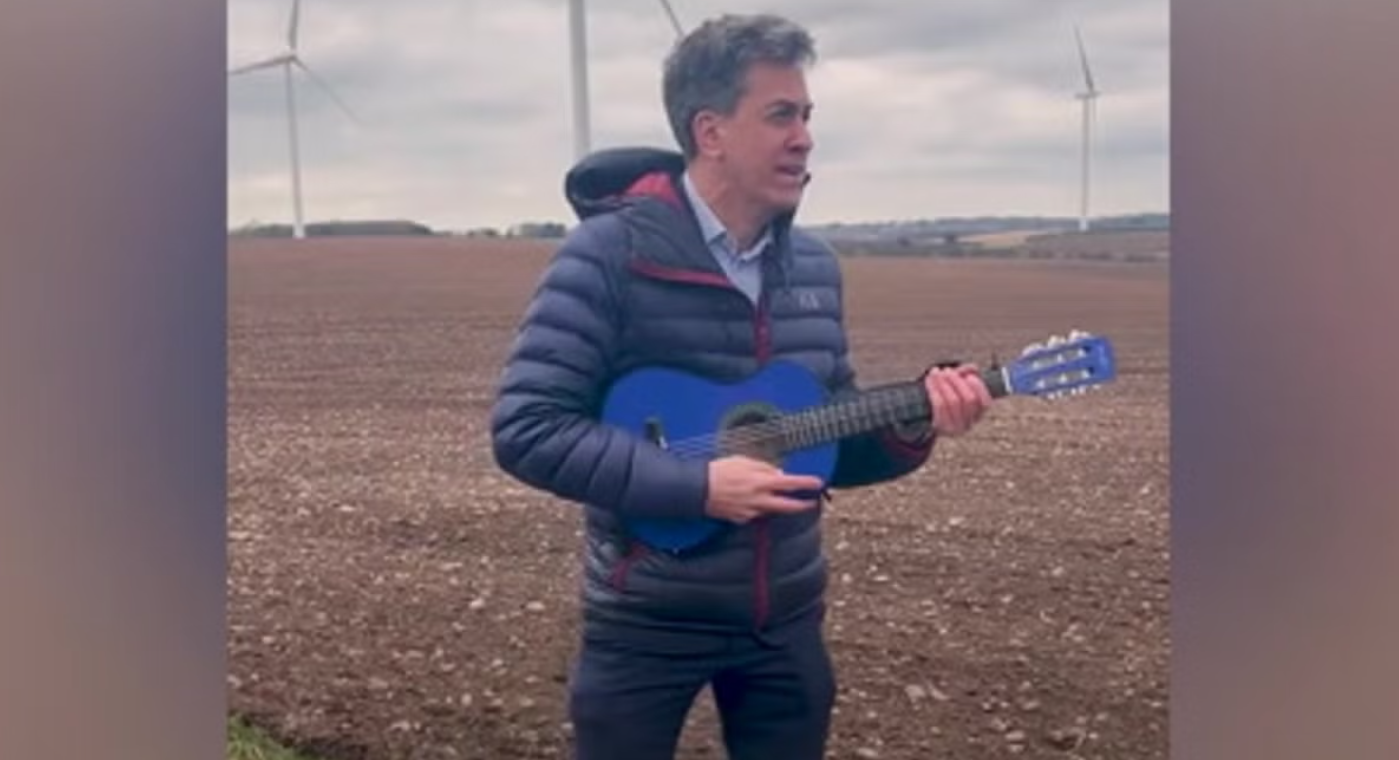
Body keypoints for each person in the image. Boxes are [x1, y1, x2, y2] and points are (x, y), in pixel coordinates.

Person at [490, 12, 993, 760]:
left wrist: (914, 423)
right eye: (781, 115)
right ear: (711, 131)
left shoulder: (814, 267)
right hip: (646, 622)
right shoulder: (606, 255)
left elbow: (822, 437)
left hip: (783, 622)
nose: (805, 138)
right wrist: (696, 487)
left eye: (807, 115)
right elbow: (527, 428)